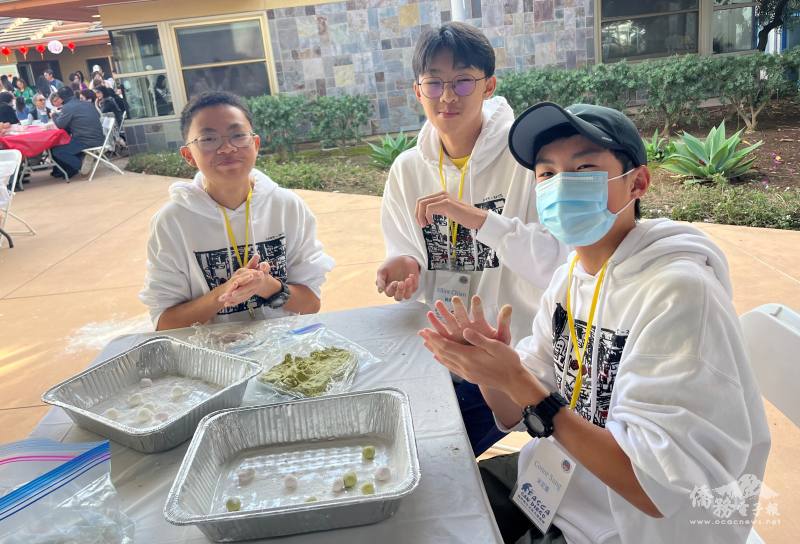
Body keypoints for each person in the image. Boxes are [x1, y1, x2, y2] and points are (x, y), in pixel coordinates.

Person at [420, 102, 771, 543]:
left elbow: (653, 487)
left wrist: (522, 384)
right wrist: (490, 370)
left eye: (584, 167)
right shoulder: (570, 277)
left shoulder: (679, 293)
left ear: (637, 182)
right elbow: (512, 412)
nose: (561, 185)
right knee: (432, 505)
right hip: (557, 485)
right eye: (547, 174)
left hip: (625, 525)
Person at [377, 22, 566, 456]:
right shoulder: (408, 170)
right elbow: (405, 247)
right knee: (404, 443)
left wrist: (482, 220)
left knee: (437, 457)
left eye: (463, 81)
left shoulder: (527, 159)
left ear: (489, 86)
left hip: (516, 356)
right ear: (417, 90)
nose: (448, 96)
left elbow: (557, 258)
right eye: (435, 83)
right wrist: (403, 267)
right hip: (442, 353)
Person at [139, 91, 334, 330]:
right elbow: (164, 322)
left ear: (256, 144)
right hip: (213, 358)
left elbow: (311, 304)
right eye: (209, 139)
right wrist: (225, 292)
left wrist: (267, 286)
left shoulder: (287, 207)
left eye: (238, 135)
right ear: (189, 155)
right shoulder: (172, 222)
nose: (227, 148)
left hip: (285, 354)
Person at [50, 87, 105, 178]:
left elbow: (60, 125)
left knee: (57, 150)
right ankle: (83, 158)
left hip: (86, 141)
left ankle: (82, 165)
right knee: (65, 144)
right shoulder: (87, 104)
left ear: (62, 98)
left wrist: (54, 115)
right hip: (100, 138)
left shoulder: (68, 107)